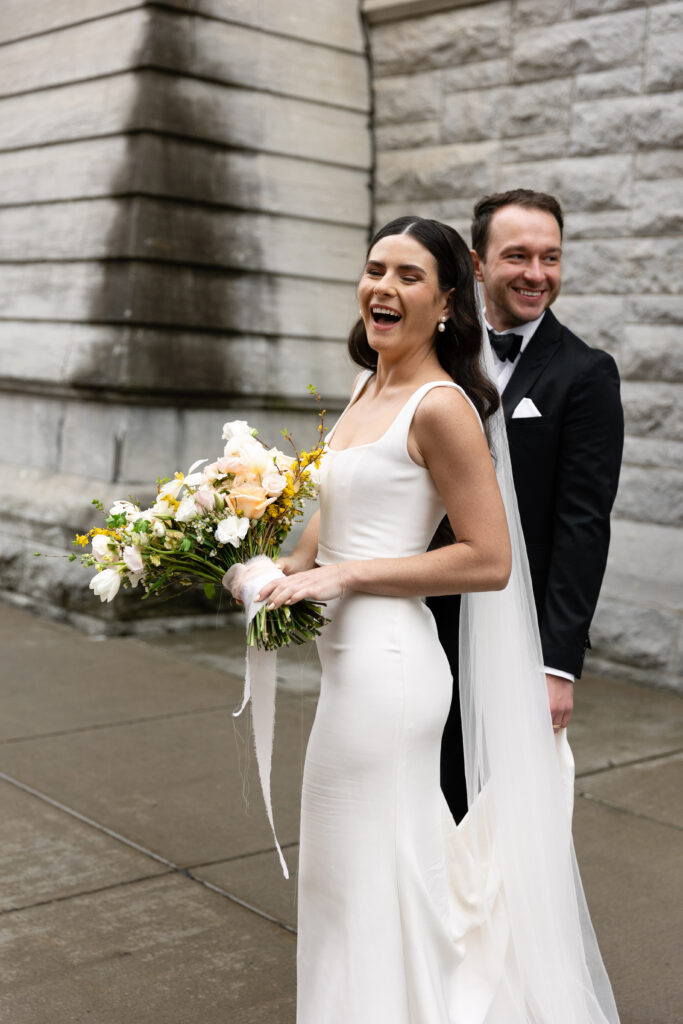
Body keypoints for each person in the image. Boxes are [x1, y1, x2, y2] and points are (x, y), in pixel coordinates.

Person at [254, 217, 620, 1023]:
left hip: (392, 673)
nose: (382, 288)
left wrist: (347, 576)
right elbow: (321, 536)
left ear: (448, 300)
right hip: (346, 674)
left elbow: (489, 559)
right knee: (340, 881)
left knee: (379, 879)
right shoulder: (361, 389)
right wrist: (263, 569)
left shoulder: (441, 405)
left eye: (409, 276)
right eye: (374, 269)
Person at [429, 190, 624, 824]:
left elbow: (583, 527)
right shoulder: (433, 354)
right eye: (517, 256)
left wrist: (557, 664)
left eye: (551, 258)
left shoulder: (586, 374)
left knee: (491, 812)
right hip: (420, 613)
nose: (536, 275)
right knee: (417, 796)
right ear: (477, 264)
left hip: (515, 630)